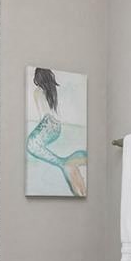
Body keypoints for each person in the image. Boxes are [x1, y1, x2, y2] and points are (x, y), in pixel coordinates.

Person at [26, 67, 87, 196]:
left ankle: (64, 163)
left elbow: (42, 115)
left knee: (31, 145)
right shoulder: (53, 92)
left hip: (47, 123)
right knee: (33, 144)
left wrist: (39, 129)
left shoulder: (38, 92)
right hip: (57, 127)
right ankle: (67, 163)